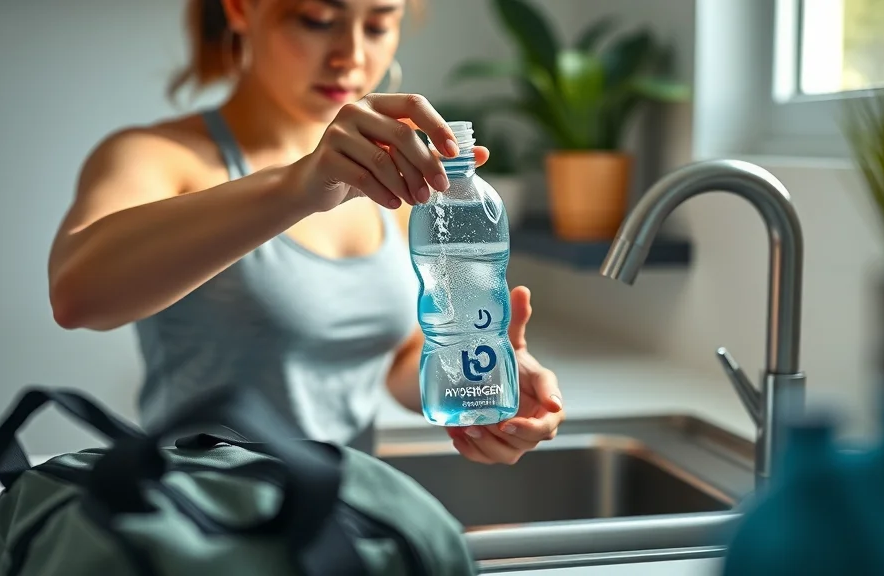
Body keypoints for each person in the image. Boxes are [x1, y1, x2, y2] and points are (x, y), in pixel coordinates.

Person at [47, 0, 564, 464]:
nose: (352, 55)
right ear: (239, 9)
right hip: (202, 523)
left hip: (341, 520)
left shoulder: (392, 181)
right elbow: (77, 295)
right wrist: (298, 186)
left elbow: (403, 354)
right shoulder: (158, 157)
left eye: (380, 24)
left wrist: (480, 375)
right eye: (317, 20)